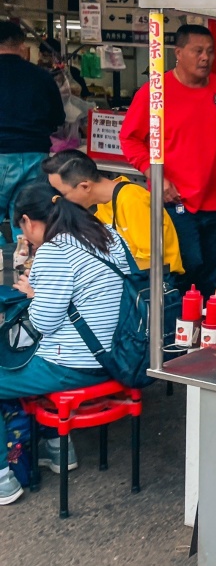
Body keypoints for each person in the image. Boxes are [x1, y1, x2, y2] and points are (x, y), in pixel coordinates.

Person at [0, 184, 131, 504]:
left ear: (29, 221)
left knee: (19, 358)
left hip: (77, 366)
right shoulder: (109, 234)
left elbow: (43, 323)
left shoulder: (54, 250)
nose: (26, 239)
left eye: (23, 230)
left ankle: (4, 479)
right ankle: (58, 448)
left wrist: (34, 294)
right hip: (121, 355)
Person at [120, 24, 216, 301]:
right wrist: (155, 176)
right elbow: (130, 140)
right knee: (182, 271)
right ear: (178, 53)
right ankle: (173, 334)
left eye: (210, 52)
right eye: (198, 51)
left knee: (208, 273)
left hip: (215, 203)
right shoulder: (154, 93)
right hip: (173, 201)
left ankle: (201, 336)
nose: (206, 57)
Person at [42, 149, 184, 276]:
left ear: (84, 186)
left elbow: (152, 259)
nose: (61, 200)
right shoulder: (104, 202)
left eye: (63, 194)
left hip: (157, 285)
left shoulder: (133, 201)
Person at [0, 21, 66, 247]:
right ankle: (27, 275)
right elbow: (58, 118)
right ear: (20, 45)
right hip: (35, 155)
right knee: (29, 222)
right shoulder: (41, 77)